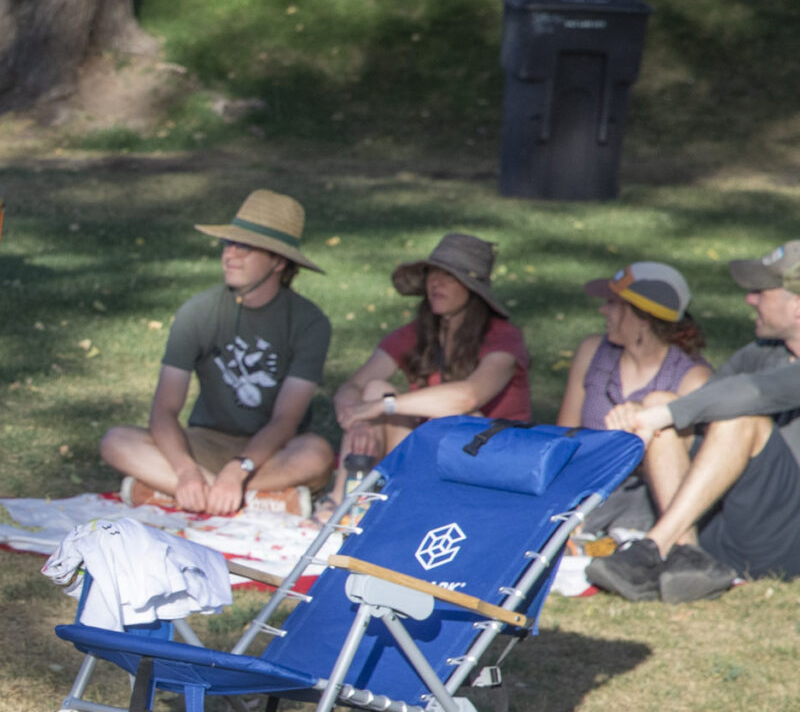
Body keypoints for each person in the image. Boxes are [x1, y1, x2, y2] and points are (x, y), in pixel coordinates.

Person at [98, 190, 335, 516]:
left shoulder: (310, 322)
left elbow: (285, 420)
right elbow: (164, 410)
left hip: (269, 453)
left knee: (317, 454)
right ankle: (252, 501)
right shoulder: (198, 311)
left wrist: (238, 470)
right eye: (228, 243)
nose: (230, 255)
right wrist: (185, 470)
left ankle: (177, 493)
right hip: (203, 443)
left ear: (279, 261)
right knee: (116, 440)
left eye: (245, 246)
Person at [585, 244, 800, 604]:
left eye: (761, 292)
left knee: (740, 418)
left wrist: (659, 416)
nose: (750, 299)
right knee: (662, 402)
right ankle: (689, 559)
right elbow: (700, 405)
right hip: (730, 526)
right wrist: (646, 410)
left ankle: (655, 545)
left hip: (787, 541)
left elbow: (754, 392)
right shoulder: (763, 351)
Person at [332, 234, 532, 460]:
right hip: (434, 450)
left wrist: (383, 406)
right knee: (375, 388)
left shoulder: (504, 338)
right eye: (432, 273)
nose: (436, 282)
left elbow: (468, 398)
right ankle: (342, 496)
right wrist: (359, 421)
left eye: (449, 275)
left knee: (455, 417)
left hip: (495, 457)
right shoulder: (417, 332)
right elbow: (352, 386)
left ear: (472, 288)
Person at [557, 261, 712, 451]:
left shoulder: (692, 379)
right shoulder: (592, 350)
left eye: (612, 303)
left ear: (643, 317)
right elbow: (563, 435)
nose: (603, 310)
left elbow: (682, 460)